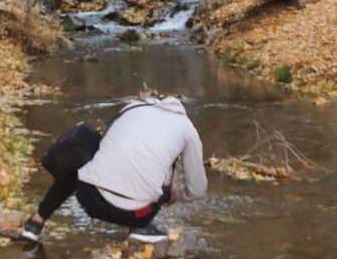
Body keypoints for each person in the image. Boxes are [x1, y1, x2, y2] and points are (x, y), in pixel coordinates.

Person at [21, 94, 207, 244]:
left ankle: (36, 223)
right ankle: (139, 228)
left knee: (84, 159)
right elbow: (197, 189)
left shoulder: (133, 108)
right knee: (161, 183)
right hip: (138, 214)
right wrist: (175, 192)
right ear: (183, 112)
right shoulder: (187, 129)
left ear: (155, 102)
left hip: (89, 197)